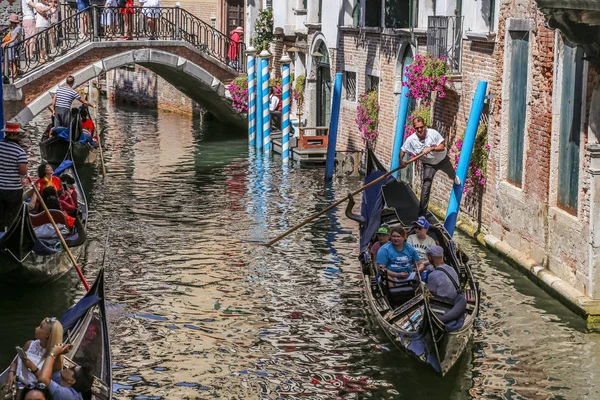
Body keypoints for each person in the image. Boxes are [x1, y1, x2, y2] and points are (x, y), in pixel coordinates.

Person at [400, 116, 460, 218]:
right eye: (417, 128)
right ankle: (421, 215)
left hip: (442, 160)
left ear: (424, 126)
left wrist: (432, 149)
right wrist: (401, 161)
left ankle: (453, 177)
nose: (419, 130)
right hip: (429, 164)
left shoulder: (433, 133)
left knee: (451, 174)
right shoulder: (411, 139)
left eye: (421, 127)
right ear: (414, 129)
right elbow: (402, 150)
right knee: (426, 187)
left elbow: (442, 147)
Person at [3, 317, 64, 392]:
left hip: (33, 392)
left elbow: (46, 381)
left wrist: (31, 366)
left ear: (47, 335)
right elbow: (15, 362)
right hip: (15, 383)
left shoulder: (54, 358)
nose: (36, 328)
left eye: (40, 327)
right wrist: (11, 373)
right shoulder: (29, 344)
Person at [0, 122, 28, 232]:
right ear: (15, 135)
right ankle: (10, 237)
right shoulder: (20, 151)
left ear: (6, 133)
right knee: (12, 217)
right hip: (13, 190)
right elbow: (23, 171)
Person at [2, 14, 25, 80]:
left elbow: (14, 38)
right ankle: (16, 72)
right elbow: (10, 37)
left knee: (11, 60)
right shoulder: (13, 28)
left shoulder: (18, 28)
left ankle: (15, 73)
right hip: (10, 45)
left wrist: (6, 42)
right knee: (8, 60)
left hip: (13, 45)